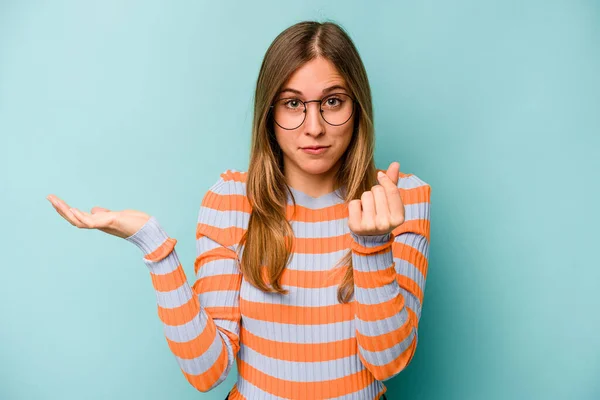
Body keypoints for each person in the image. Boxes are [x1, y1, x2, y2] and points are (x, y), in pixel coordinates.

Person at [47, 20, 431, 400]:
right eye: (293, 103)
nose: (314, 126)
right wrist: (155, 246)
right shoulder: (231, 200)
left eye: (333, 101)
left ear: (357, 106)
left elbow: (388, 361)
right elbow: (207, 371)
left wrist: (373, 246)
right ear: (269, 113)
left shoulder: (401, 200)